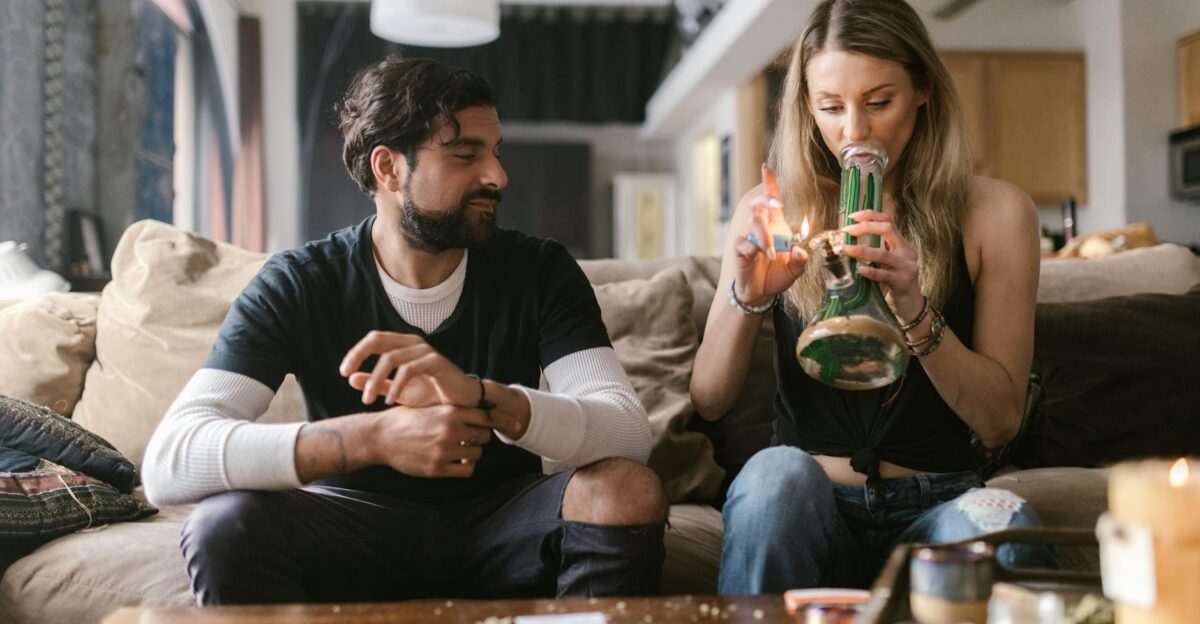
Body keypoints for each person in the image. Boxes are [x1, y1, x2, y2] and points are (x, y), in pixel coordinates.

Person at [142, 57, 667, 605]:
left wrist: (484, 398)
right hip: (350, 529)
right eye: (466, 155)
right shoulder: (299, 282)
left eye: (496, 152)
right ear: (389, 168)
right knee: (223, 524)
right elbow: (170, 461)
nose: (498, 175)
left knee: (624, 491)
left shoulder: (540, 270)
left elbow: (629, 435)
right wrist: (375, 439)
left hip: (504, 523)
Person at [690, 0, 1056, 594]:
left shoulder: (997, 213)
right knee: (773, 477)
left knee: (1004, 521)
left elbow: (999, 421)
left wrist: (913, 306)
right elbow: (709, 399)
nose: (854, 132)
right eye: (831, 107)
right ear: (807, 107)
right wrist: (747, 295)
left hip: (937, 505)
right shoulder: (769, 209)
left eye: (879, 102)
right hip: (810, 498)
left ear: (923, 91)